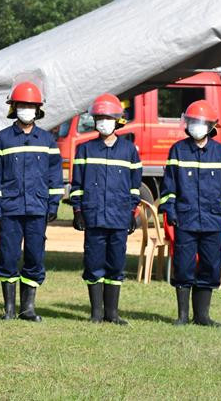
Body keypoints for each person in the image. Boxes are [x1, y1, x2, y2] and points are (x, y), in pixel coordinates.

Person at [0, 81, 64, 321]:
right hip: (10, 209)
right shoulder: (2, 139)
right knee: (8, 256)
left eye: (31, 105)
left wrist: (53, 204)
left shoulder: (47, 140)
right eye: (22, 105)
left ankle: (27, 309)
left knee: (35, 257)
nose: (26, 109)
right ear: (14, 107)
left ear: (38, 109)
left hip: (37, 208)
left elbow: (55, 176)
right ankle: (9, 309)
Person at [159, 100, 221, 327]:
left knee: (211, 265)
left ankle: (202, 316)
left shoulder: (220, 153)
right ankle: (183, 316)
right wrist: (170, 209)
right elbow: (169, 186)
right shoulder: (178, 150)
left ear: (211, 126)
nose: (196, 126)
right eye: (192, 121)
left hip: (213, 220)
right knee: (183, 265)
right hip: (185, 219)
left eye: (200, 122)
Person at [70, 94, 141, 325]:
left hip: (119, 217)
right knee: (93, 264)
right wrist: (78, 211)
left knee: (116, 264)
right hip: (93, 217)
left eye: (108, 118)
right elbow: (77, 185)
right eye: (100, 118)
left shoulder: (129, 151)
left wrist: (132, 213)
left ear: (118, 120)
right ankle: (96, 313)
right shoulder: (84, 150)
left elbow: (134, 187)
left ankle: (112, 313)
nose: (103, 122)